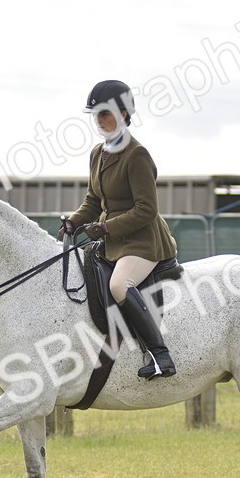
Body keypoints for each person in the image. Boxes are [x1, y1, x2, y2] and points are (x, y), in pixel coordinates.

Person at [60, 79, 178, 379]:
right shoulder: (98, 153)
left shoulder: (136, 155)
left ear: (125, 114)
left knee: (118, 285)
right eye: (96, 114)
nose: (100, 120)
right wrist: (74, 220)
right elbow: (93, 199)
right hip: (112, 239)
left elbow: (147, 209)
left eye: (106, 113)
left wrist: (106, 227)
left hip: (143, 242)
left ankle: (159, 355)